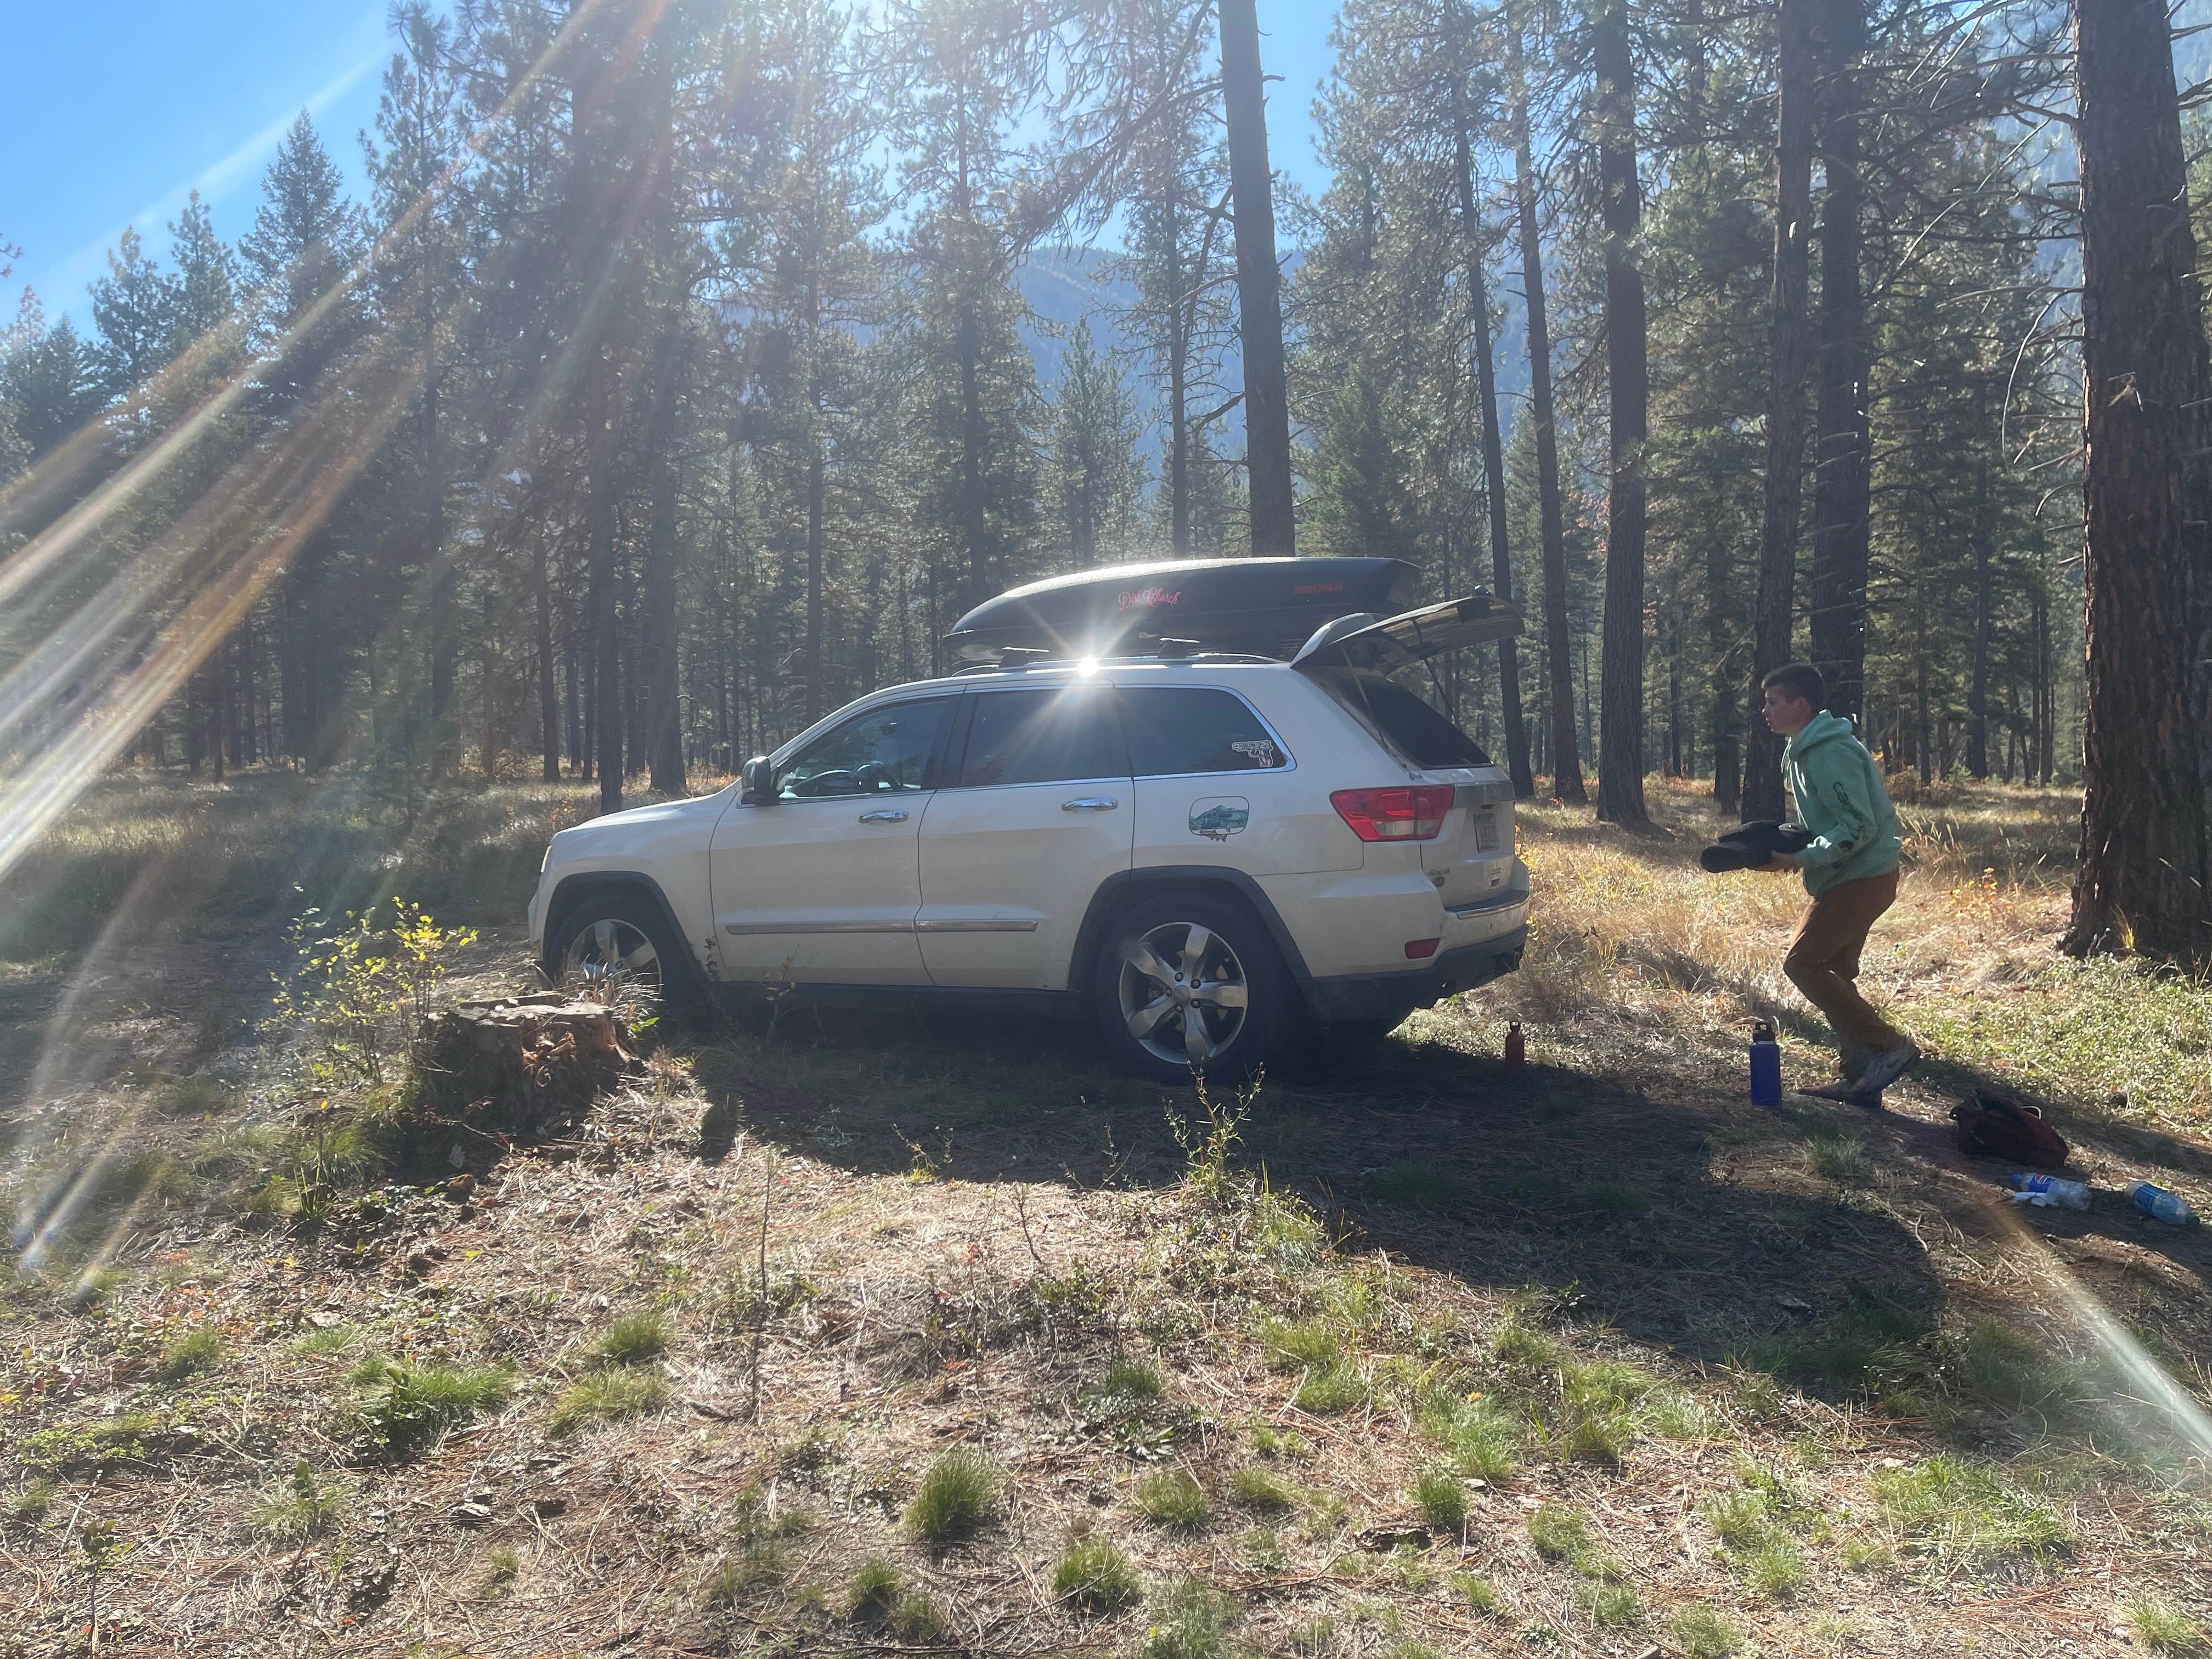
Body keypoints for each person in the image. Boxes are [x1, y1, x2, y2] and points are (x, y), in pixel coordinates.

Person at [1756, 662, 1918, 1103]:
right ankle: (1861, 1077)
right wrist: (1779, 843)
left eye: (1773, 702)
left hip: (1861, 878)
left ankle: (1889, 1047)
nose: (1765, 711)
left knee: (1803, 963)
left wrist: (1800, 858)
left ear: (1800, 705)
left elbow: (1859, 825)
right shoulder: (1806, 748)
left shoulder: (1828, 752)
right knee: (1836, 972)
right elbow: (1833, 819)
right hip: (1851, 874)